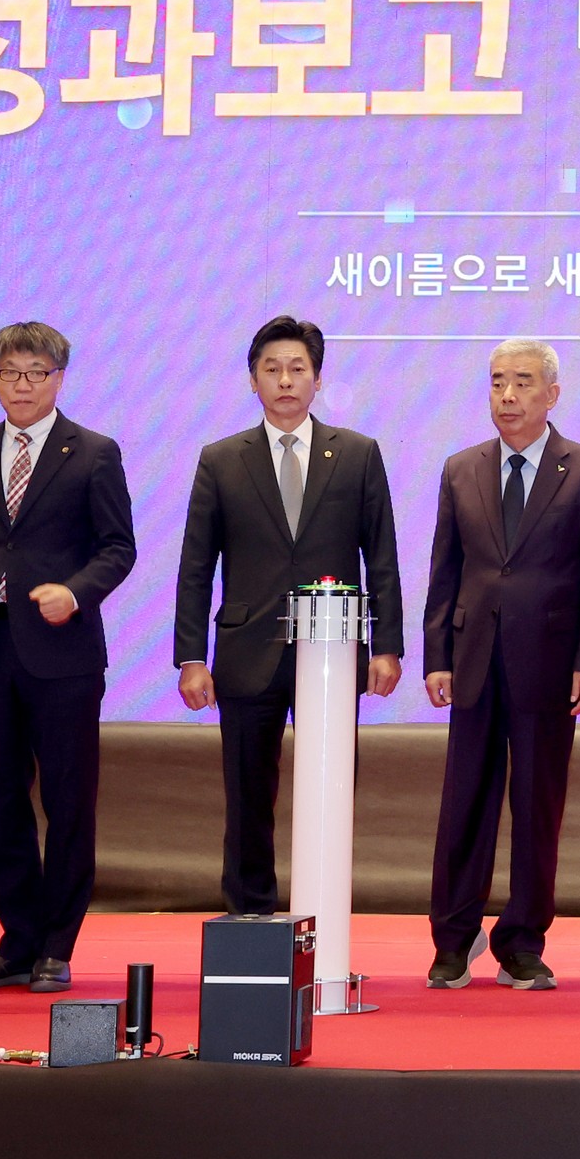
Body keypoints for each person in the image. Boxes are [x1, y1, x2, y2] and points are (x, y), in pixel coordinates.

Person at [173, 314, 404, 918]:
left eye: (297, 369)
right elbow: (196, 565)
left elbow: (381, 556)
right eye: (271, 369)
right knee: (248, 794)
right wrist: (191, 657)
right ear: (253, 380)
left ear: (317, 379)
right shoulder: (221, 459)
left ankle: (323, 911)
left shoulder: (357, 454)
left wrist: (387, 645)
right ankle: (249, 915)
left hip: (333, 652)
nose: (284, 380)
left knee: (331, 787)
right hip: (247, 651)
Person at [0, 322, 136, 994]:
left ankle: (56, 944)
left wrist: (74, 593)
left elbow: (118, 548)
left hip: (63, 653)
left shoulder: (93, 452)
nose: (22, 385)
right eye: (9, 373)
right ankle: (18, 941)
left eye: (36, 373)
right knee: (1, 799)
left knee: (69, 800)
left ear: (59, 378)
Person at [420, 338, 580, 991]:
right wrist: (436, 655)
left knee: (537, 806)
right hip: (473, 658)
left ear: (552, 394)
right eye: (497, 382)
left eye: (523, 382)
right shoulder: (461, 469)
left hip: (550, 662)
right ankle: (453, 940)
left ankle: (522, 942)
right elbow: (445, 570)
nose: (507, 395)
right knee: (464, 804)